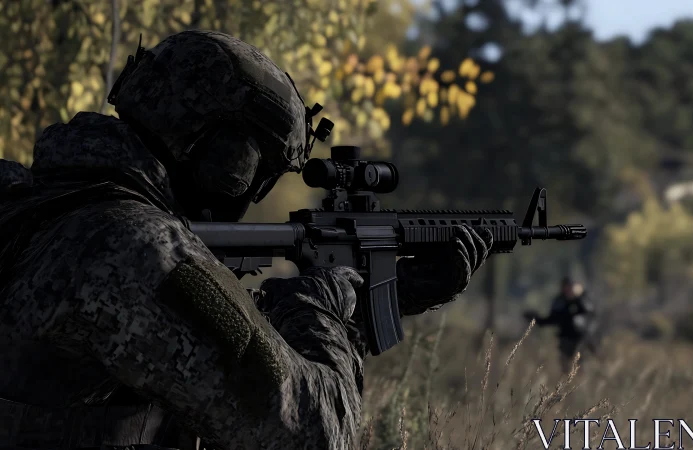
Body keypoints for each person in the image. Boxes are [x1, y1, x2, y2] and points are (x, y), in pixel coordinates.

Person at [0, 31, 493, 450]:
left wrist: (366, 308)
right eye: (259, 174)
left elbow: (209, 359)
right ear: (227, 160)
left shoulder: (33, 200)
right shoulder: (140, 251)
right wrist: (319, 306)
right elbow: (316, 434)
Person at [524, 277, 597, 373]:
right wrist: (536, 319)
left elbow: (590, 314)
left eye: (571, 287)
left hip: (580, 339)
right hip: (565, 338)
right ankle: (568, 385)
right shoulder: (559, 301)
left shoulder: (583, 300)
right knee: (565, 367)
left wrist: (577, 298)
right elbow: (552, 319)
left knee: (580, 366)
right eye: (567, 287)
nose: (569, 290)